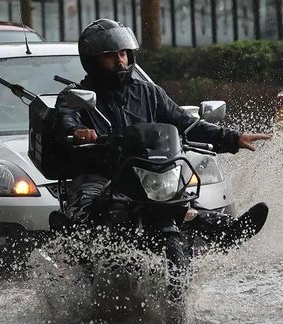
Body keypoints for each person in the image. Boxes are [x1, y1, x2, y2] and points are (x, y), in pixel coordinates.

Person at [55, 18, 271, 249]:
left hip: (145, 170)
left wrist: (232, 138)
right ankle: (71, 246)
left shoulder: (149, 92)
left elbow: (185, 123)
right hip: (100, 171)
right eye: (110, 55)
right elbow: (67, 119)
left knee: (183, 202)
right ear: (93, 61)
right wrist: (78, 132)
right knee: (84, 213)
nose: (119, 61)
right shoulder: (77, 95)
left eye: (123, 54)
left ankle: (228, 232)